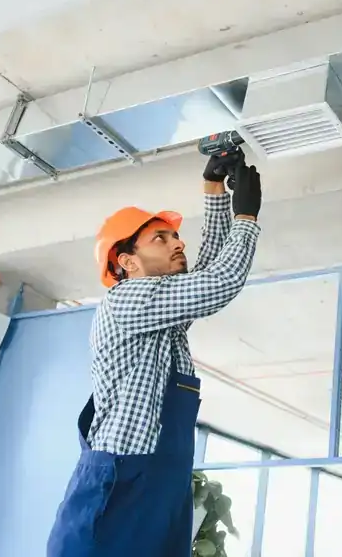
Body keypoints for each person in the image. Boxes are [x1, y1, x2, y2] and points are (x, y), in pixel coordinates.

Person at [47, 154, 263, 557]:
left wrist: (214, 189)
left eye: (174, 236)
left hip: (163, 480)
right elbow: (218, 283)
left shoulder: (162, 317)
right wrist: (246, 218)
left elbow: (205, 272)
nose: (178, 242)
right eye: (160, 239)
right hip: (122, 480)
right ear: (126, 262)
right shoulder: (126, 300)